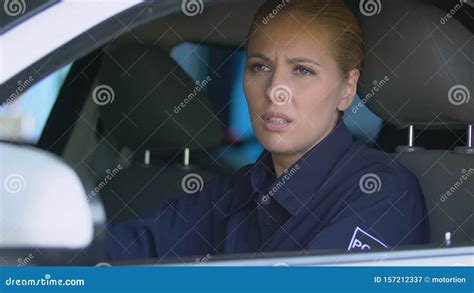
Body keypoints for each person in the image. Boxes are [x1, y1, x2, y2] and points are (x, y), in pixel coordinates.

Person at [106, 0, 429, 261]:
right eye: (260, 67)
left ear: (347, 89)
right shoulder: (236, 190)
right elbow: (127, 248)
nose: (276, 90)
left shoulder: (382, 192)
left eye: (302, 70)